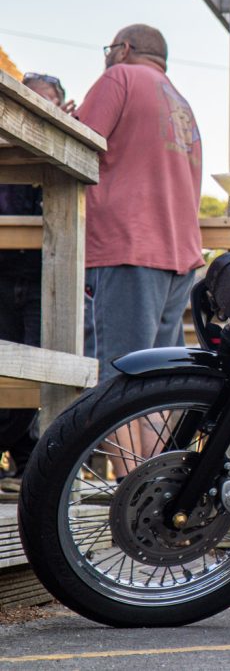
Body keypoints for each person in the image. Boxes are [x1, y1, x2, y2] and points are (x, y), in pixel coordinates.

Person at [74, 24, 203, 477]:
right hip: (178, 252)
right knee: (155, 385)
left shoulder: (120, 78)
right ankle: (156, 489)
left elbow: (75, 146)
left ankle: (131, 492)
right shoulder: (180, 102)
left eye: (110, 49)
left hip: (128, 246)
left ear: (124, 48)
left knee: (118, 377)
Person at [0, 72, 73, 492]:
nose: (36, 110)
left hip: (46, 275)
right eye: (28, 102)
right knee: (7, 371)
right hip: (3, 272)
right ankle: (19, 459)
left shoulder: (65, 145)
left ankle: (34, 464)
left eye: (45, 103)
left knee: (43, 371)